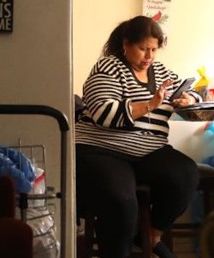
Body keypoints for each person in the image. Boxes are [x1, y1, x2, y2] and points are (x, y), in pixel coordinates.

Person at [76, 16, 202, 258]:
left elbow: (191, 89)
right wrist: (149, 104)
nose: (149, 56)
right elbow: (104, 114)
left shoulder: (161, 71)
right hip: (102, 149)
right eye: (143, 49)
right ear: (126, 44)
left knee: (185, 173)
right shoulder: (108, 68)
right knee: (122, 200)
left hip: (149, 151)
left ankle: (150, 236)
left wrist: (189, 98)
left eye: (154, 50)